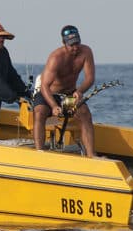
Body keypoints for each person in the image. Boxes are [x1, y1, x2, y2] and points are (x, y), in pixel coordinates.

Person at [33, 24, 96, 156]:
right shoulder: (56, 57)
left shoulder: (86, 52)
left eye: (77, 43)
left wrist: (80, 91)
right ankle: (39, 152)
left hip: (69, 94)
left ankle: (91, 155)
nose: (75, 47)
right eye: (71, 45)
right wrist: (54, 106)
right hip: (50, 94)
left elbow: (90, 78)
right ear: (64, 43)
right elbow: (44, 86)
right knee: (39, 112)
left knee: (84, 113)